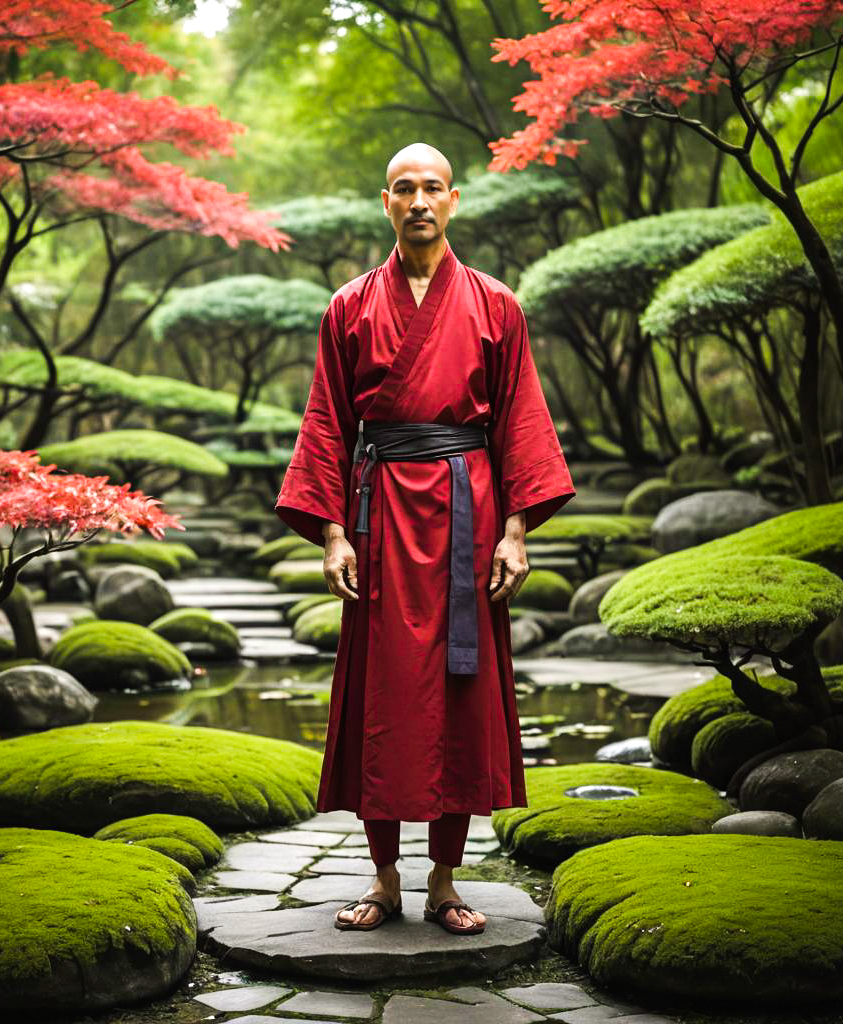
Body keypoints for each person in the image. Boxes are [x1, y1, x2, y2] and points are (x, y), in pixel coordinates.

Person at [274, 143, 575, 935]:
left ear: (454, 200)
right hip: (380, 518)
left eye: (432, 188)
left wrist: (515, 532)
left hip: (468, 512)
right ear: (384, 202)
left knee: (461, 695)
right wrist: (333, 534)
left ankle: (444, 882)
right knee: (382, 693)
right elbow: (328, 422)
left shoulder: (495, 304)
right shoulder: (348, 305)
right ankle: (383, 880)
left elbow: (519, 419)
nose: (418, 201)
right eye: (404, 188)